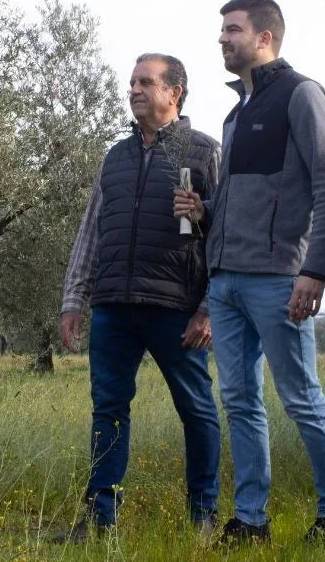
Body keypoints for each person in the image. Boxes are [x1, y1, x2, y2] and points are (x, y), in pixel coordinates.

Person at [173, 0, 325, 545]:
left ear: (264, 37)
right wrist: (206, 212)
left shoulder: (302, 95)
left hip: (280, 279)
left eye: (232, 30)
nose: (222, 39)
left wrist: (315, 272)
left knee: (301, 398)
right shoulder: (234, 114)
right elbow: (233, 199)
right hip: (225, 281)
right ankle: (251, 521)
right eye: (221, 30)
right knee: (240, 402)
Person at [56, 53, 222, 542]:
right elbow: (91, 231)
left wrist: (209, 307)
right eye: (131, 83)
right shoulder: (116, 157)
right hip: (113, 305)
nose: (134, 90)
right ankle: (100, 521)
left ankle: (203, 517)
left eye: (146, 82)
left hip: (177, 309)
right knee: (108, 410)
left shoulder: (205, 152)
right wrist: (73, 299)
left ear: (175, 92)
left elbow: (225, 236)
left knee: (197, 409)